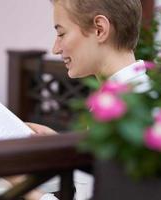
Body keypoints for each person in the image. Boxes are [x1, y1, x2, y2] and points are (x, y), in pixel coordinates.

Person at [23, 0, 148, 199]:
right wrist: (64, 146)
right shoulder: (143, 91)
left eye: (61, 34)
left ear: (99, 29)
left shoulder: (122, 113)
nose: (55, 48)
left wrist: (23, 187)